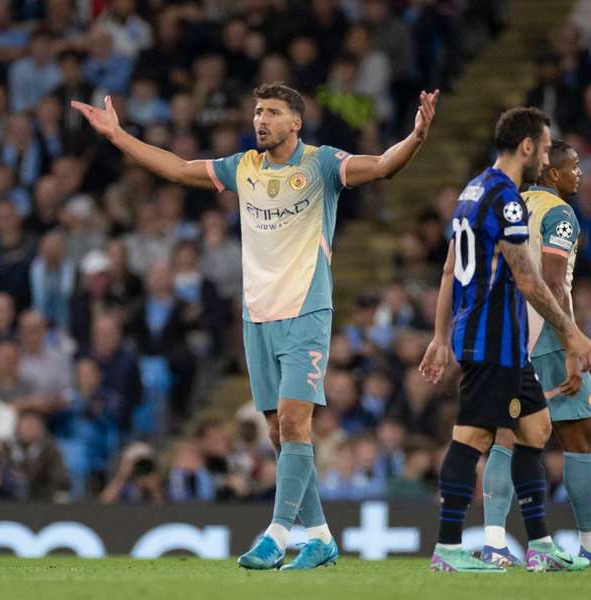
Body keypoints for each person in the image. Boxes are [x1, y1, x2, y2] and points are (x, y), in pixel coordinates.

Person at [73, 81, 439, 570]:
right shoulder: (242, 167)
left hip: (306, 311)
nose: (259, 120)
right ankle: (322, 537)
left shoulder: (322, 164)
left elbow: (381, 166)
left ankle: (276, 534)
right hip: (257, 316)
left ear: (295, 122)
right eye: (256, 112)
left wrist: (415, 137)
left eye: (270, 112)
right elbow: (179, 170)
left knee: (294, 421)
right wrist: (118, 136)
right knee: (277, 432)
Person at [418, 107, 591, 573]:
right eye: (543, 147)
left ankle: (539, 544)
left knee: (536, 429)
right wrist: (571, 333)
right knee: (470, 439)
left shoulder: (473, 189)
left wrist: (440, 336)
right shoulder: (507, 199)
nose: (545, 157)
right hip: (492, 337)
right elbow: (529, 281)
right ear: (526, 146)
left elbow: (448, 268)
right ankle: (448, 548)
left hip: (503, 341)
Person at [475, 140, 591, 568]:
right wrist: (571, 340)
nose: (580, 174)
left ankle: (494, 543)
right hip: (546, 333)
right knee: (580, 437)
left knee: (505, 436)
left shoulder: (506, 203)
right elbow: (553, 279)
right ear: (552, 174)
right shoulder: (560, 213)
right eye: (574, 167)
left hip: (499, 329)